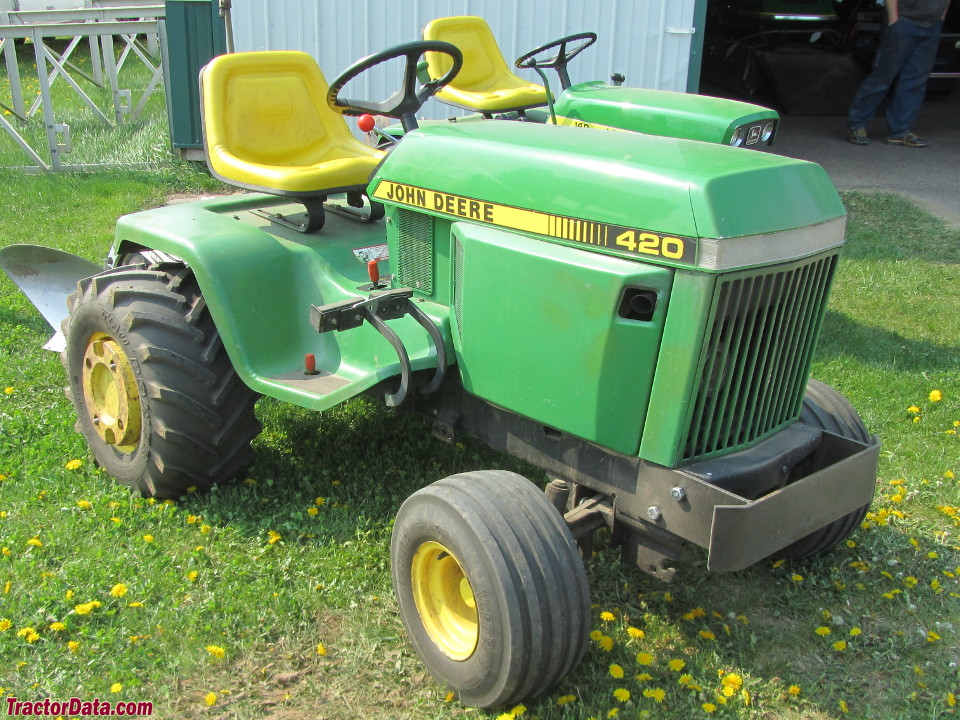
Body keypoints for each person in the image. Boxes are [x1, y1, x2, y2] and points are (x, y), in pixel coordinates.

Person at [847, 0, 951, 147]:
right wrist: (894, 20)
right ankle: (857, 124)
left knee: (916, 80)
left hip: (931, 24)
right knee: (883, 76)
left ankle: (900, 131)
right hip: (904, 22)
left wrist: (941, 17)